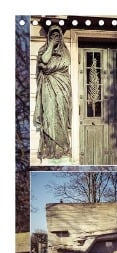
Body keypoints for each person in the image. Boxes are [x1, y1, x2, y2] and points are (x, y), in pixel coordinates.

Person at [33, 25, 72, 161]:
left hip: (62, 89)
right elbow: (43, 60)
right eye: (52, 36)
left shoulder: (65, 53)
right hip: (48, 88)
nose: (56, 38)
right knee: (48, 116)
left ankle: (61, 149)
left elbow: (51, 66)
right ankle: (50, 149)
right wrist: (50, 46)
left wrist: (47, 68)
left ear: (61, 37)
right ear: (49, 37)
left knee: (61, 115)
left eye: (58, 36)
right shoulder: (43, 50)